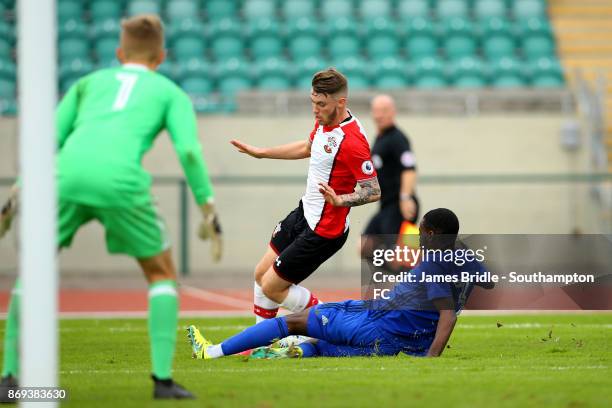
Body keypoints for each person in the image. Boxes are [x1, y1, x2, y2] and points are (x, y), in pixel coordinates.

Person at [0, 14, 221, 400]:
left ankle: (8, 378)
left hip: (62, 177)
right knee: (161, 274)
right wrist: (207, 204)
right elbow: (187, 149)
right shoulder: (170, 92)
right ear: (161, 56)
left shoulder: (87, 83)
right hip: (121, 181)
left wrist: (20, 188)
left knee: (34, 271)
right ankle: (163, 382)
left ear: (120, 52)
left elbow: (46, 136)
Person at [187, 208, 487, 360]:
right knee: (321, 348)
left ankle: (211, 353)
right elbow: (488, 280)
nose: (418, 237)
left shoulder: (434, 264)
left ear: (433, 234)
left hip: (376, 324)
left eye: (421, 233)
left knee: (293, 323)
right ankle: (282, 354)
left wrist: (432, 359)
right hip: (396, 340)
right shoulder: (460, 256)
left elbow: (447, 314)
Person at [229, 69, 380, 333]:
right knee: (260, 274)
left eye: (321, 104)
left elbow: (373, 190)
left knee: (272, 287)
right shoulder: (324, 121)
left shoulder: (353, 141)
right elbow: (308, 148)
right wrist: (262, 153)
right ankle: (260, 344)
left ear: (340, 102)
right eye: (313, 102)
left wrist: (341, 200)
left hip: (324, 231)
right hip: (304, 213)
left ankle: (332, 325)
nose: (315, 109)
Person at [364, 95, 419, 239]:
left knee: (397, 253)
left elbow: (409, 169)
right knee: (365, 245)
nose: (378, 115)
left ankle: (432, 259)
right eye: (376, 111)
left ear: (393, 112)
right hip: (386, 205)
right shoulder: (380, 138)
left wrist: (405, 198)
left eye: (383, 110)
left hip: (399, 205)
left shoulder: (397, 138)